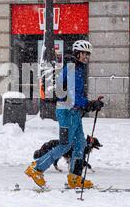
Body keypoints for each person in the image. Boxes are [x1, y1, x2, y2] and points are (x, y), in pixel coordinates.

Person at [24, 40, 104, 189]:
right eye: (84, 53)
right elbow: (72, 95)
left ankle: (74, 178)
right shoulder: (72, 68)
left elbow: (76, 94)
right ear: (77, 53)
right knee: (65, 145)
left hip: (75, 112)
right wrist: (89, 104)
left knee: (80, 143)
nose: (87, 56)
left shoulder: (78, 68)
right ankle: (36, 168)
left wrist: (90, 103)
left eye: (88, 54)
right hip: (66, 112)